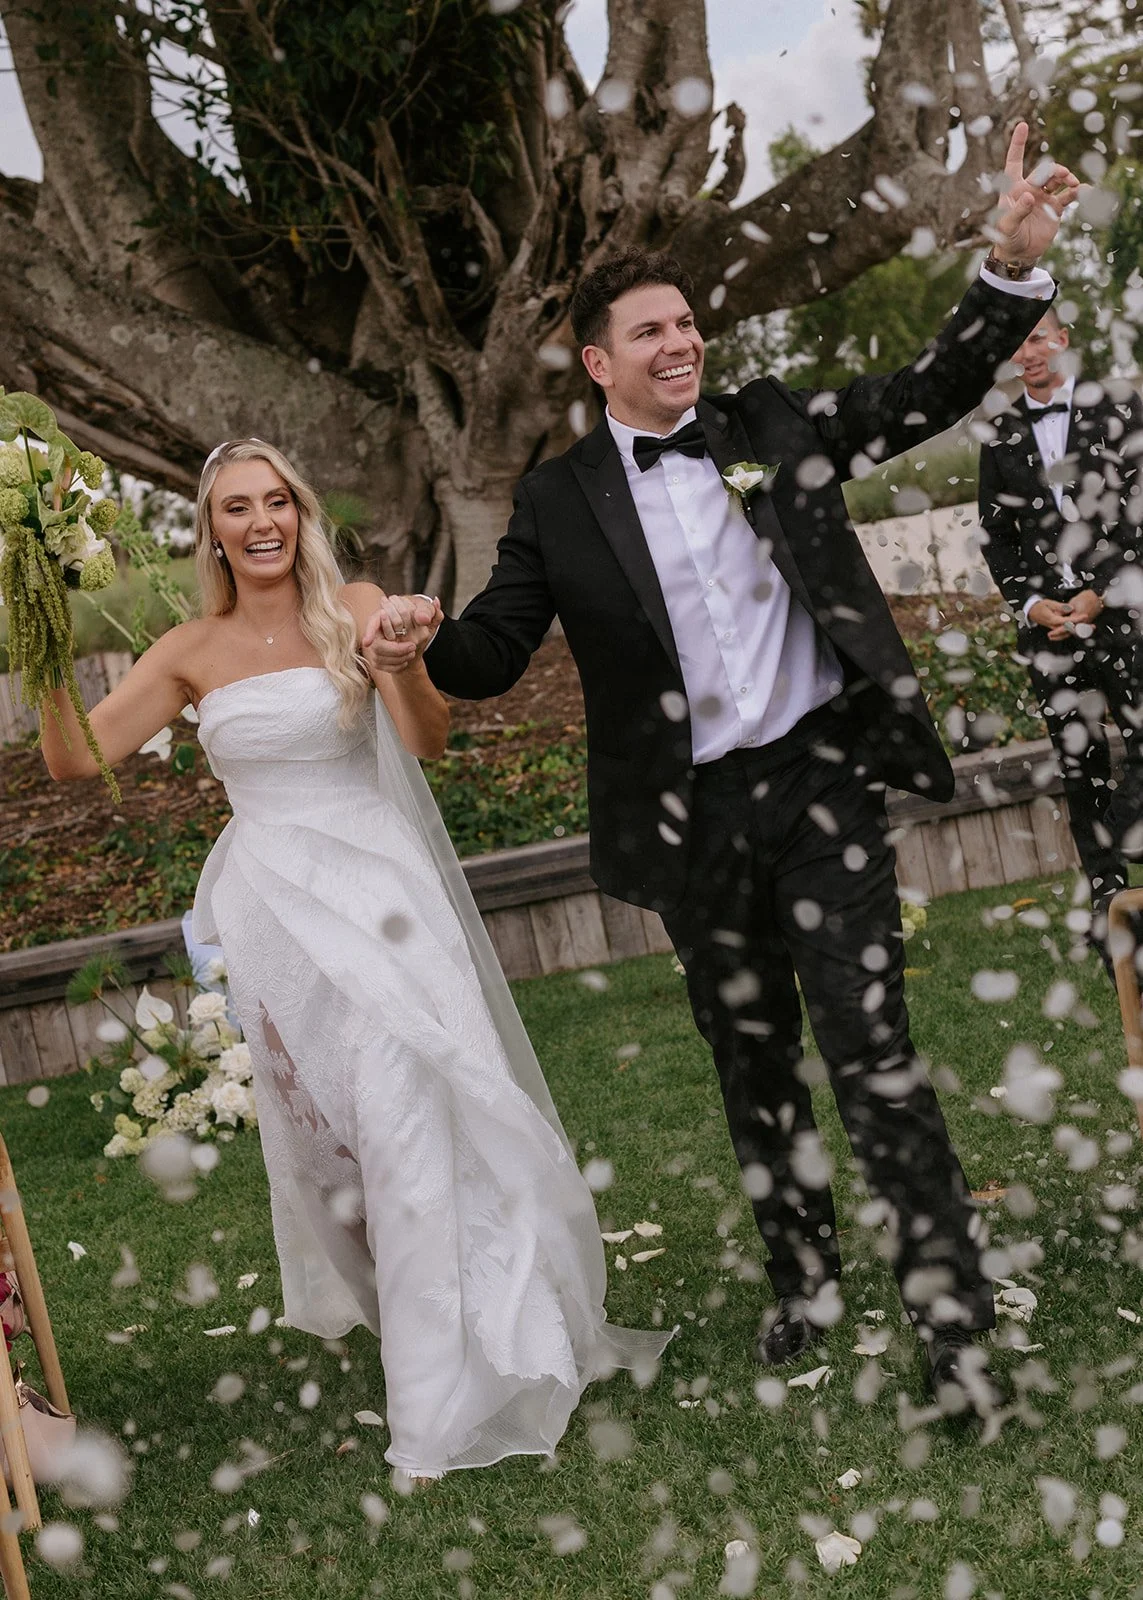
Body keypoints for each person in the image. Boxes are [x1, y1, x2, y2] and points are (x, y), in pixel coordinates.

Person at [380, 123, 1080, 1416]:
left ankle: (954, 1332)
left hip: (819, 786)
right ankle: (801, 1278)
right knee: (751, 1064)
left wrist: (1006, 270)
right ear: (596, 366)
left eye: (686, 323)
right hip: (691, 819)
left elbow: (920, 392)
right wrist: (410, 641)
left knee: (873, 1055)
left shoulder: (766, 427)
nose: (680, 342)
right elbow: (487, 654)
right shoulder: (556, 502)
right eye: (648, 333)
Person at [40, 438, 668, 1481]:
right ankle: (431, 1312)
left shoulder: (361, 605)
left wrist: (398, 663)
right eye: (235, 507)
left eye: (276, 498)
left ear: (300, 511)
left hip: (379, 896)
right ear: (213, 532)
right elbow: (72, 758)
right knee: (335, 1156)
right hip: (271, 915)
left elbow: (429, 741)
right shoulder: (188, 648)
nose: (261, 520)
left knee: (409, 1117)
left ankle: (439, 1406)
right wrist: (40, 630)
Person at [978, 306, 1143, 968]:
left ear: (1064, 338)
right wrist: (1031, 605)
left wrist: (1102, 590)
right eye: (1016, 343)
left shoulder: (1121, 408)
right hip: (1051, 635)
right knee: (1080, 773)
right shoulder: (997, 436)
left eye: (1039, 337)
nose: (1029, 352)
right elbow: (996, 538)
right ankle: (1112, 924)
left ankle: (1124, 834)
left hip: (1126, 615)